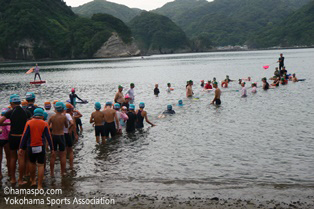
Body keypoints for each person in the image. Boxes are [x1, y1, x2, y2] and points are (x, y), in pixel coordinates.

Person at [19, 108, 54, 189]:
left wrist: (21, 147)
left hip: (31, 146)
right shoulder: (44, 123)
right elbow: (48, 137)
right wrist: (52, 148)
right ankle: (39, 185)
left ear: (34, 115)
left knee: (32, 163)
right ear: (42, 115)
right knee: (41, 165)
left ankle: (33, 181)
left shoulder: (29, 123)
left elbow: (24, 136)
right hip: (41, 146)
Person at [0, 94, 32, 184]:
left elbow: (0, 122)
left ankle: (13, 179)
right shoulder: (25, 111)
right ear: (20, 102)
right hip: (22, 137)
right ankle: (20, 180)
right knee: (21, 158)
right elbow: (31, 123)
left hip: (13, 136)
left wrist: (8, 124)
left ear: (11, 102)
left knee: (13, 158)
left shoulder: (10, 112)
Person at [48, 102, 68, 177]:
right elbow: (66, 126)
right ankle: (62, 172)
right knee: (62, 155)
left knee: (53, 155)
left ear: (55, 109)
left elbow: (48, 126)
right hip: (61, 136)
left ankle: (51, 172)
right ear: (63, 109)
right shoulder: (64, 117)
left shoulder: (52, 117)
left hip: (53, 136)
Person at [64, 103, 75, 170]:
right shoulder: (68, 115)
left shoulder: (57, 115)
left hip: (60, 134)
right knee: (70, 151)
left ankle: (64, 167)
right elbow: (73, 123)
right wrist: (69, 128)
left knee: (63, 152)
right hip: (67, 133)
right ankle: (71, 166)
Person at [0, 108, 10, 179]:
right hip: (6, 140)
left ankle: (0, 174)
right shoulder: (8, 119)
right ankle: (9, 172)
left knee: (0, 157)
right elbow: (9, 130)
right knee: (8, 157)